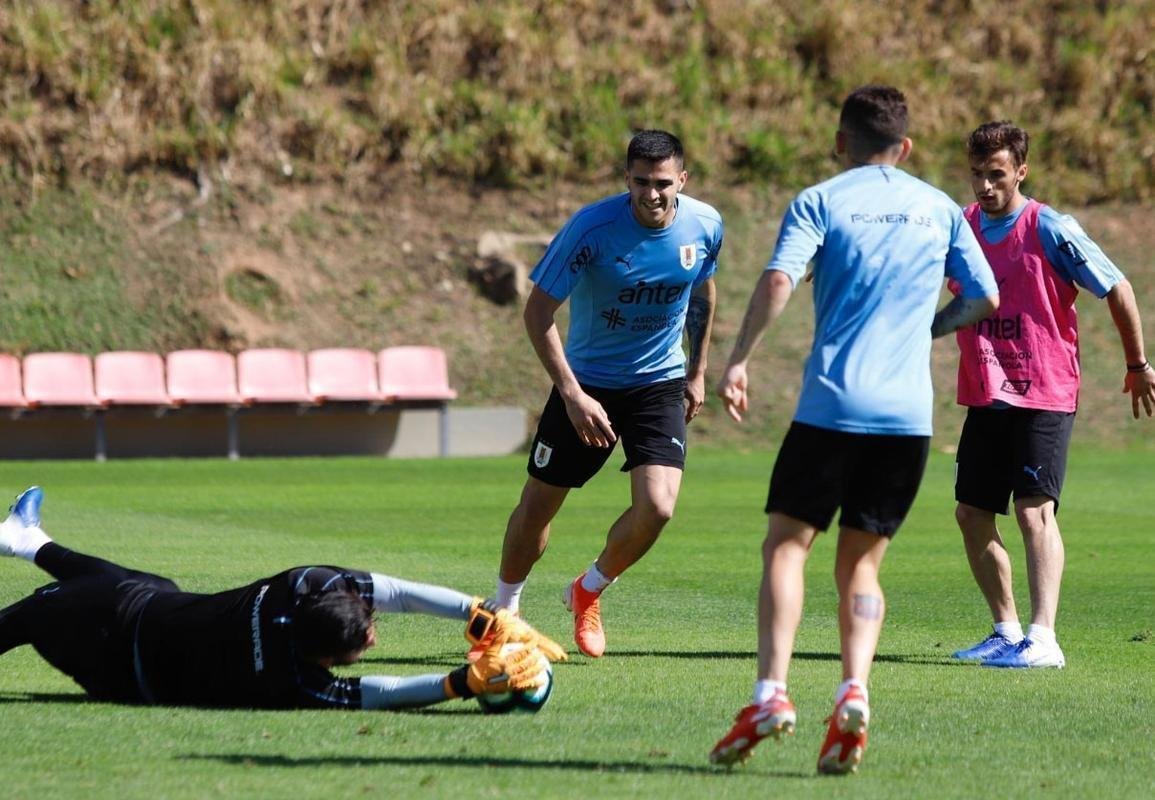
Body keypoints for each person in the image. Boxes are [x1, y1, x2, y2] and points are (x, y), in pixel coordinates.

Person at [708, 86, 999, 775]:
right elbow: (983, 296)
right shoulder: (937, 208)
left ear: (841, 142)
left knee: (786, 544)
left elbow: (780, 280)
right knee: (861, 563)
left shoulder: (820, 199)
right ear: (904, 147)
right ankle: (852, 690)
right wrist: (928, 328)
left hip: (831, 409)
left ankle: (771, 694)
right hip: (905, 419)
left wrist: (739, 358)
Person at [479, 129, 722, 658]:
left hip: (659, 381)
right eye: (640, 182)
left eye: (662, 183)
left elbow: (703, 291)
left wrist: (698, 371)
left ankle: (588, 589)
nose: (651, 194)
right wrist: (571, 394)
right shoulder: (592, 229)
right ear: (626, 179)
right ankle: (505, 609)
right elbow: (538, 312)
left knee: (657, 507)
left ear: (682, 179)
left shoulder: (705, 224)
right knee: (539, 508)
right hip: (588, 384)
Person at [0, 486, 565, 709]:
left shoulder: (305, 584)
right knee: (46, 611)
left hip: (134, 631)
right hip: (119, 646)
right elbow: (374, 692)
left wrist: (479, 624)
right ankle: (27, 541)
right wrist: (461, 673)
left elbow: (390, 594)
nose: (373, 637)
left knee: (129, 586)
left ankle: (28, 541)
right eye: (364, 641)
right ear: (325, 656)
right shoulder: (290, 680)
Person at [948, 121, 1154, 669]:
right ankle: (1005, 629)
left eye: (996, 175)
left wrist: (1137, 364)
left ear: (1021, 170)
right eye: (976, 175)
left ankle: (1044, 638)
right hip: (986, 393)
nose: (984, 186)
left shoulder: (1049, 228)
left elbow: (1118, 287)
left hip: (1043, 392)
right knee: (972, 513)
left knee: (1033, 510)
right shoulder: (961, 226)